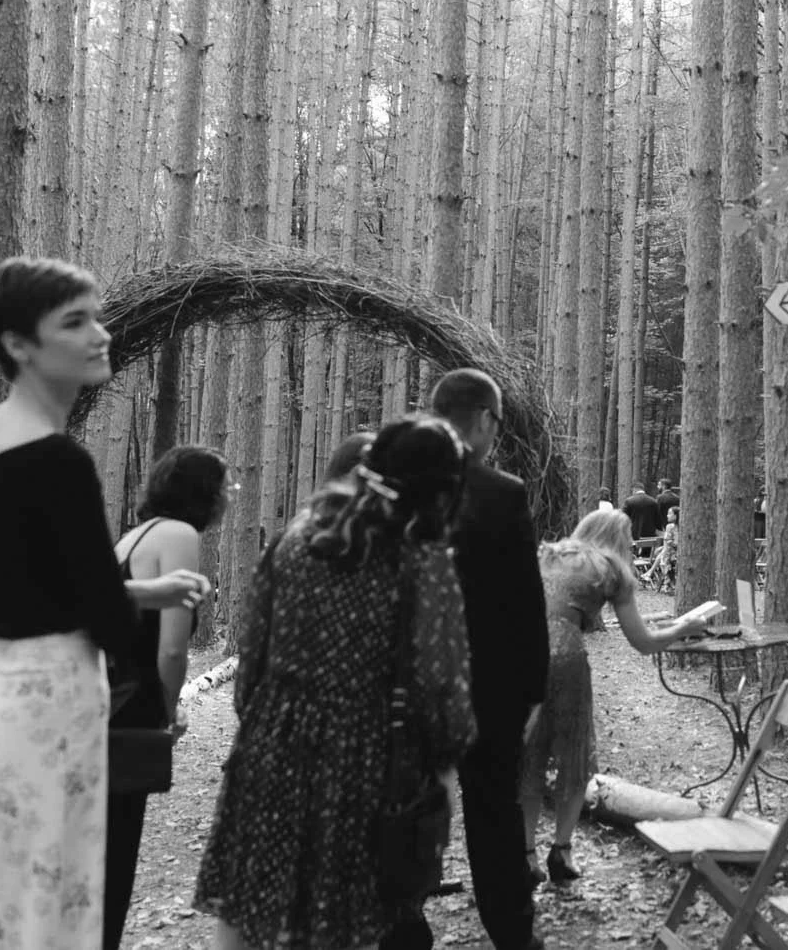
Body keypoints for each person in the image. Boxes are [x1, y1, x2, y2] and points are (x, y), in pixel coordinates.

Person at [0, 256, 209, 950]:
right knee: (50, 911)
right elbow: (105, 617)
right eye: (75, 322)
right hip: (54, 710)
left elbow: (36, 588)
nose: (101, 334)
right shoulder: (61, 460)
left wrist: (147, 588)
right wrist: (158, 672)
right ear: (20, 344)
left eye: (97, 316)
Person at [194, 414, 476, 950]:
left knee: (252, 904)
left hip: (271, 745)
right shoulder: (419, 559)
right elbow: (441, 684)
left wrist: (268, 727)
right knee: (340, 922)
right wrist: (442, 765)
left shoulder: (297, 538)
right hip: (362, 757)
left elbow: (252, 659)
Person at [521, 509, 706, 885]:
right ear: (618, 540)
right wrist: (684, 627)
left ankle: (525, 855)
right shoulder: (612, 570)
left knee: (530, 755)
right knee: (573, 755)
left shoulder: (548, 553)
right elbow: (642, 643)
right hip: (566, 658)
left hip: (524, 653)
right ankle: (562, 851)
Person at [430, 369, 549, 950]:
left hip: (408, 680)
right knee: (493, 810)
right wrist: (533, 690)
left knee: (402, 798)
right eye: (497, 424)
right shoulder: (502, 492)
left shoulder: (392, 483)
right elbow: (525, 602)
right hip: (488, 684)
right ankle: (511, 931)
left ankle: (399, 923)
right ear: (483, 419)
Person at [105, 444, 232, 950]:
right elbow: (173, 647)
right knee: (114, 857)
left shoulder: (131, 538)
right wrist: (167, 708)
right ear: (202, 491)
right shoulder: (177, 534)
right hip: (131, 714)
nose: (228, 497)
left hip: (101, 704)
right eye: (225, 486)